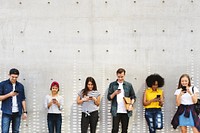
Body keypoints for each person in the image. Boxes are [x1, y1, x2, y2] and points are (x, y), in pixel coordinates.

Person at [107, 68, 136, 133]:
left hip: (126, 110)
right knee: (115, 129)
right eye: (119, 77)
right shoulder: (112, 84)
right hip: (116, 110)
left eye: (122, 77)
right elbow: (109, 97)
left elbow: (133, 96)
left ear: (124, 75)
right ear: (116, 75)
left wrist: (131, 105)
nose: (120, 78)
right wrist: (115, 93)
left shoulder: (128, 85)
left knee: (125, 130)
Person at [0, 68, 27, 133]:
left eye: (16, 77)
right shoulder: (3, 84)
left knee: (16, 131)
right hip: (6, 112)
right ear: (9, 75)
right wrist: (10, 94)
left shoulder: (20, 86)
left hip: (17, 113)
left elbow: (23, 99)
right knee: (5, 131)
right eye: (13, 77)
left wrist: (25, 112)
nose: (14, 79)